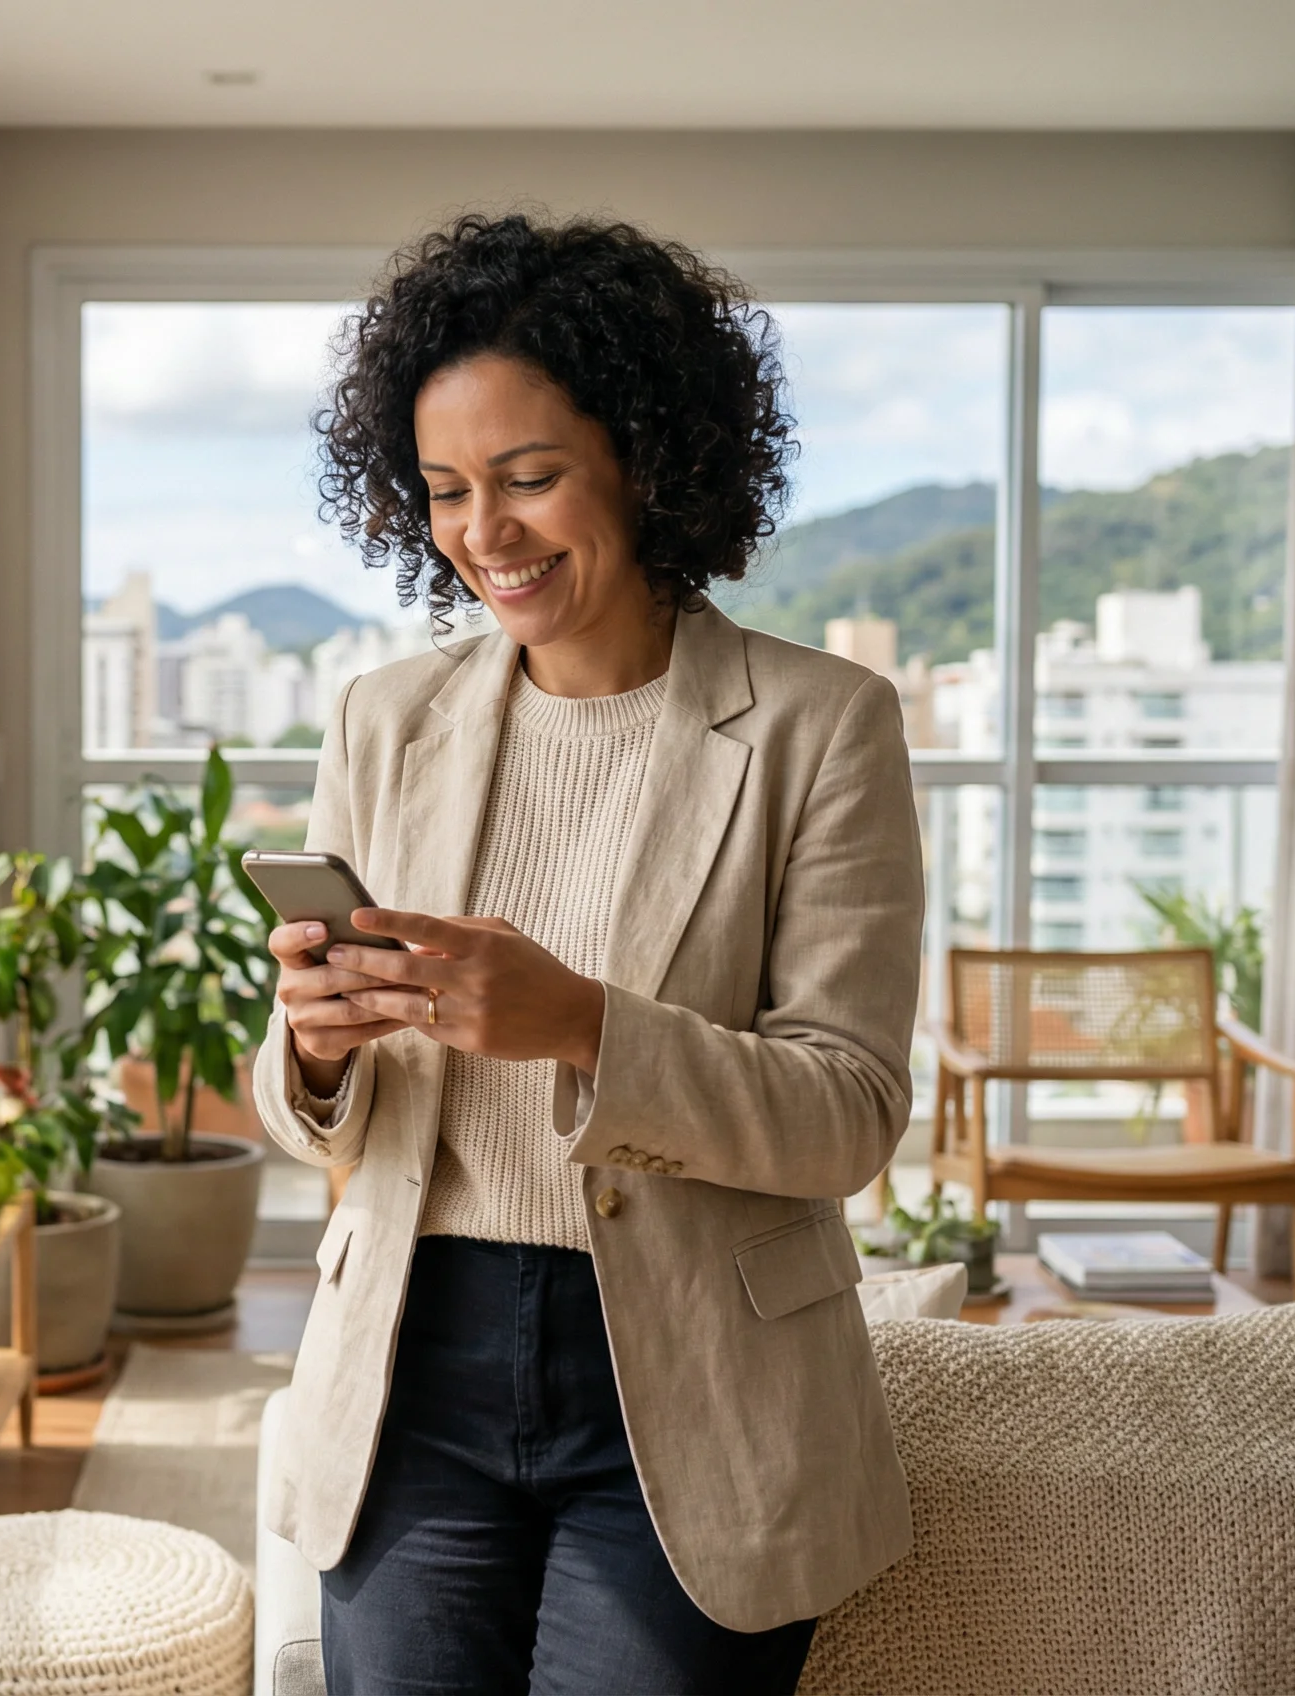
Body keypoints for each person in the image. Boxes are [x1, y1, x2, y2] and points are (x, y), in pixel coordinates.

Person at [251, 213, 926, 1696]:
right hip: (411, 1365)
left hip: (692, 1386)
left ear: (648, 454)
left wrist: (581, 1026)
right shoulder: (385, 719)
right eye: (444, 489)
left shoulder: (824, 727)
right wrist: (311, 1045)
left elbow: (851, 1111)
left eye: (531, 477)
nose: (484, 530)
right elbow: (314, 1111)